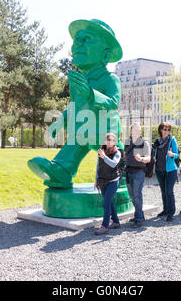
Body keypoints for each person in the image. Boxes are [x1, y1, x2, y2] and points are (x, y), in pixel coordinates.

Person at [28, 19, 124, 189]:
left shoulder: (110, 79)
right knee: (75, 141)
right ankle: (61, 172)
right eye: (76, 40)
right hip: (83, 129)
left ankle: (123, 171)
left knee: (112, 150)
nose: (77, 45)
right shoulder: (77, 82)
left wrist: (90, 93)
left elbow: (113, 102)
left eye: (86, 39)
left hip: (105, 128)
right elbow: (74, 106)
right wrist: (61, 120)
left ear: (105, 54)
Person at [94, 133, 123, 235]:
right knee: (109, 202)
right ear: (105, 141)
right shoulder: (102, 151)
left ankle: (104, 226)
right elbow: (98, 166)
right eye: (107, 140)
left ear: (114, 142)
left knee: (106, 203)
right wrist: (96, 180)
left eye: (111, 140)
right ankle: (116, 222)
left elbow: (113, 164)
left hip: (113, 181)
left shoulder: (117, 152)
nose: (109, 142)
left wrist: (104, 157)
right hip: (102, 181)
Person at [124, 122, 151, 228]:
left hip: (139, 172)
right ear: (131, 130)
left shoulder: (144, 143)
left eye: (139, 130)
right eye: (135, 129)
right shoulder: (127, 142)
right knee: (132, 196)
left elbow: (148, 158)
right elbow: (125, 155)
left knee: (136, 195)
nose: (137, 131)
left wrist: (141, 159)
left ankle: (138, 219)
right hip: (128, 171)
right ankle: (140, 214)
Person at [153, 122, 180, 222]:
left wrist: (172, 154)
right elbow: (155, 153)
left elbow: (177, 155)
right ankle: (165, 209)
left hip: (171, 170)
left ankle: (171, 213)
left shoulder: (172, 140)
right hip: (159, 169)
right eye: (165, 129)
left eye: (168, 130)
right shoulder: (157, 141)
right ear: (160, 130)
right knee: (163, 190)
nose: (167, 131)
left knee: (169, 190)